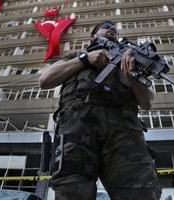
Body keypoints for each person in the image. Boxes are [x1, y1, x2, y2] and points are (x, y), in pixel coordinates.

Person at [39, 20, 161, 200]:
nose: (112, 30)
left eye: (115, 30)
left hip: (124, 129)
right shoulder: (75, 55)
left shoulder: (129, 60)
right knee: (72, 191)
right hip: (78, 126)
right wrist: (84, 59)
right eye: (107, 27)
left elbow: (147, 103)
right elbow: (45, 80)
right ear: (93, 36)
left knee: (140, 191)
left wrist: (132, 75)